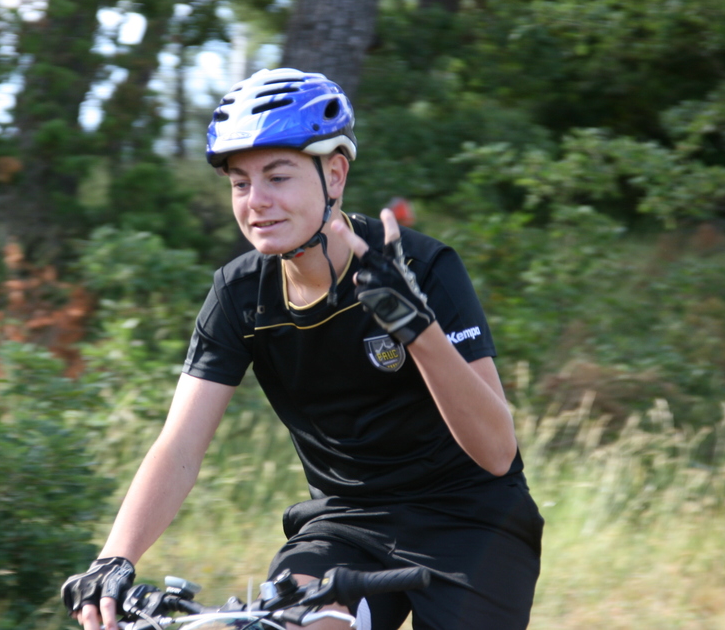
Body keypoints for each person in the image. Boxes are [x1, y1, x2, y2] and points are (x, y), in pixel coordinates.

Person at [60, 68, 544, 630]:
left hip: (471, 520)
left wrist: (416, 328)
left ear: (334, 174)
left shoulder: (421, 267)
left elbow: (496, 452)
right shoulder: (240, 294)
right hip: (345, 524)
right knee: (294, 624)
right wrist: (114, 558)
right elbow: (181, 446)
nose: (257, 202)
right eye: (240, 183)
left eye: (278, 176)